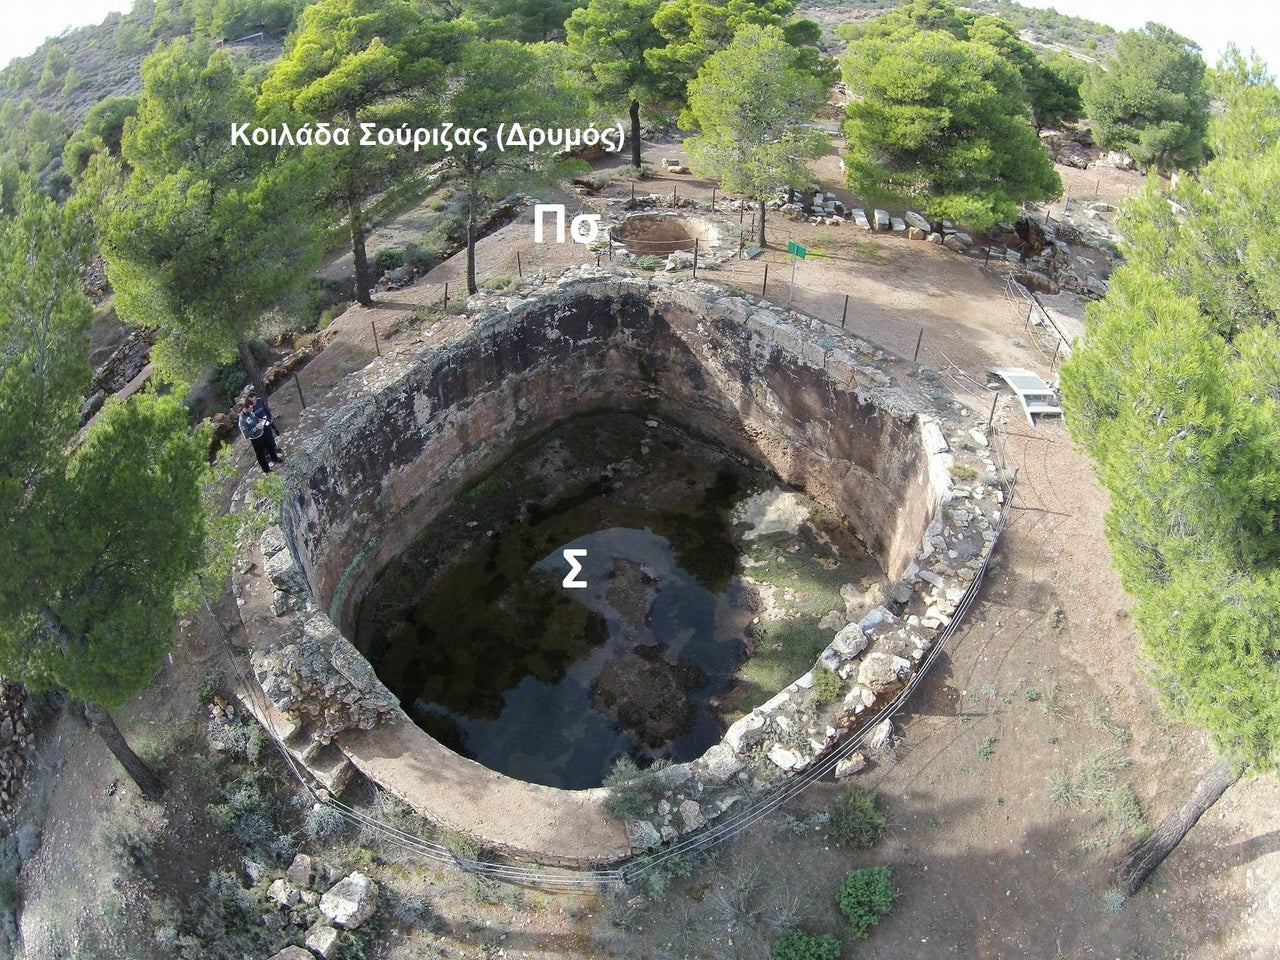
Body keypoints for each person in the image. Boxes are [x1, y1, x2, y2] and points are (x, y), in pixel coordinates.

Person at [247, 390, 283, 462]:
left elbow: (267, 410)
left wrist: (270, 419)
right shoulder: (249, 408)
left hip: (266, 422)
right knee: (264, 442)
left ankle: (274, 448)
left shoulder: (260, 401)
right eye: (252, 401)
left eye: (254, 400)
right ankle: (267, 455)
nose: (254, 402)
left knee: (270, 437)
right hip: (259, 427)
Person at [239, 399, 273, 473]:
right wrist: (256, 428)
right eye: (250, 408)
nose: (252, 409)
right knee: (261, 455)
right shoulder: (242, 421)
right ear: (245, 408)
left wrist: (261, 421)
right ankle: (266, 470)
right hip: (256, 439)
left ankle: (275, 458)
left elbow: (255, 419)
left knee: (270, 446)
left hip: (262, 433)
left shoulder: (250, 412)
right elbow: (246, 435)